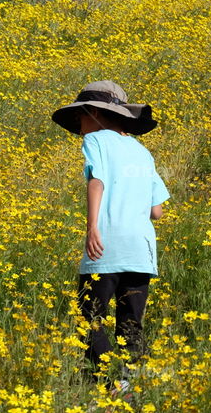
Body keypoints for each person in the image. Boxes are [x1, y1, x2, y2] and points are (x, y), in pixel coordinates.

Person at [51, 80, 170, 394]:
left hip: (106, 245)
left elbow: (97, 181)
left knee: (89, 320)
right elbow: (156, 211)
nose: (79, 128)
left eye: (80, 119)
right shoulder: (143, 152)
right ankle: (130, 387)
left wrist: (92, 228)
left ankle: (108, 386)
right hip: (142, 251)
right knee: (130, 325)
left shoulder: (96, 140)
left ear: (95, 113)